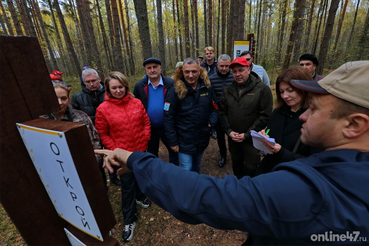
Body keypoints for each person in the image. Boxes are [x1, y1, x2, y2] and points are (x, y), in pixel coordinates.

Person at [96, 60, 369, 245]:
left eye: (316, 109)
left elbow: (212, 197)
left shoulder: (314, 191)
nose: (303, 116)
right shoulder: (347, 171)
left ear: (354, 125)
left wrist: (135, 159)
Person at [95, 71, 151, 242]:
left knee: (141, 175)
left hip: (140, 151)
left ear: (126, 86)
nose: (118, 90)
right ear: (108, 89)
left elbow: (146, 122)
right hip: (122, 156)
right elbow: (103, 134)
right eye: (114, 88)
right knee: (127, 186)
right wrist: (116, 151)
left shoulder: (136, 102)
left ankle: (141, 196)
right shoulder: (103, 109)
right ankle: (129, 219)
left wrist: (145, 138)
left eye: (121, 87)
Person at [255, 67, 322, 175]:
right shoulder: (277, 112)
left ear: (304, 89)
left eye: (290, 91)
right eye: (281, 92)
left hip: (293, 175)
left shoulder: (315, 118)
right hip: (269, 170)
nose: (285, 96)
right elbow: (271, 133)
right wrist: (264, 137)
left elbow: (315, 162)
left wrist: (281, 153)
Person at [219, 57, 273, 178]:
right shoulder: (228, 90)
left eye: (241, 70)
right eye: (234, 71)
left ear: (248, 70)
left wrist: (247, 135)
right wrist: (229, 131)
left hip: (252, 140)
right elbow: (222, 113)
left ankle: (251, 193)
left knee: (251, 168)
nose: (237, 74)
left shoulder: (262, 89)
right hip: (234, 139)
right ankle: (238, 189)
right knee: (237, 165)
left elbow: (265, 116)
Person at [164, 57, 218, 173]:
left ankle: (196, 188)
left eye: (194, 71)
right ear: (182, 72)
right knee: (186, 169)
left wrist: (211, 122)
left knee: (197, 166)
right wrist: (172, 141)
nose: (190, 75)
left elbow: (215, 107)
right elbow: (168, 117)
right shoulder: (175, 91)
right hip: (184, 139)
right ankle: (186, 190)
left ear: (199, 71)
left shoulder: (207, 88)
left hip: (202, 136)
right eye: (187, 72)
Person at [40, 81, 100, 162]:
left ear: (68, 99)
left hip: (89, 164)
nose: (60, 103)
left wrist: (95, 160)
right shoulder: (42, 122)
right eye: (55, 98)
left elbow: (95, 139)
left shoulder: (82, 116)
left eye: (63, 98)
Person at [133, 58, 179, 165]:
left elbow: (177, 104)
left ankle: (174, 172)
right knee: (152, 153)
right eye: (149, 68)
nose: (152, 70)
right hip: (149, 127)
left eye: (155, 67)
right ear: (146, 70)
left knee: (174, 150)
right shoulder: (139, 86)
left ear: (160, 68)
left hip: (168, 126)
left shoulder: (171, 84)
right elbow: (135, 105)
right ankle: (155, 173)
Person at [71, 68, 109, 188]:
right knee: (96, 161)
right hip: (91, 135)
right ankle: (102, 185)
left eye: (94, 80)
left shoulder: (109, 92)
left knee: (111, 155)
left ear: (99, 79)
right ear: (84, 82)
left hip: (109, 133)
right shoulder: (77, 97)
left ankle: (114, 177)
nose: (91, 84)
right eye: (88, 82)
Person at [208, 54, 233, 167]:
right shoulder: (211, 79)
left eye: (226, 66)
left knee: (233, 135)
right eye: (221, 66)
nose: (224, 68)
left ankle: (234, 154)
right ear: (217, 65)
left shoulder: (234, 78)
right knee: (220, 136)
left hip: (233, 113)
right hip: (218, 113)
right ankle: (223, 155)